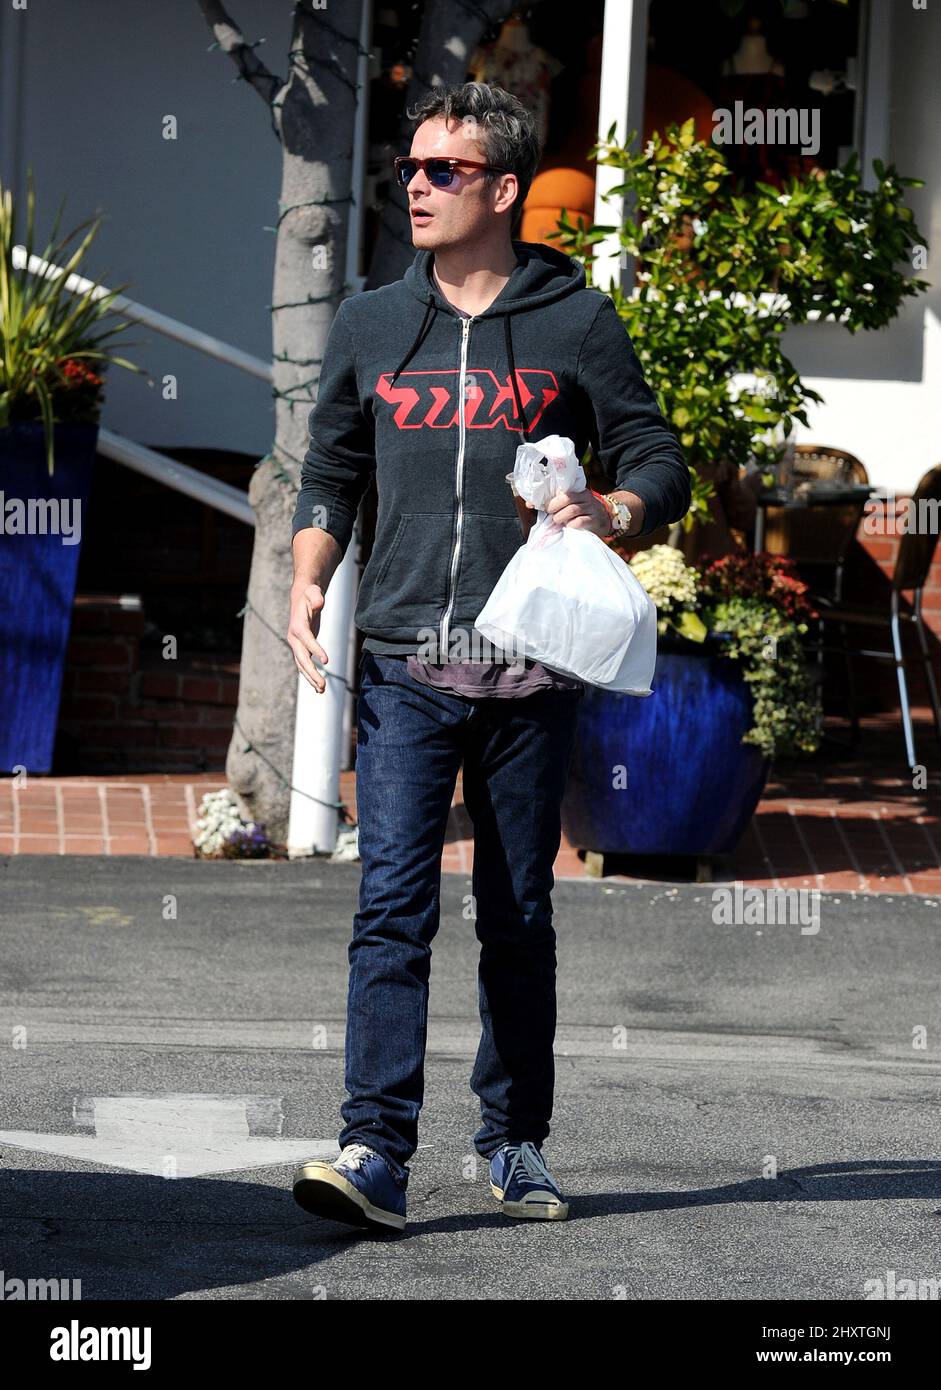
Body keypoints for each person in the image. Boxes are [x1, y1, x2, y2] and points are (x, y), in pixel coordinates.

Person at [286, 82, 691, 1233]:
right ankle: (373, 1148)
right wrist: (309, 572)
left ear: (502, 189)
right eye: (408, 169)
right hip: (408, 657)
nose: (414, 185)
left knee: (515, 910)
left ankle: (513, 1141)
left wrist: (610, 507)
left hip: (529, 663)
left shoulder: (573, 322)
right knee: (391, 904)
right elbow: (331, 468)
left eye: (441, 170)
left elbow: (658, 456)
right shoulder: (371, 324)